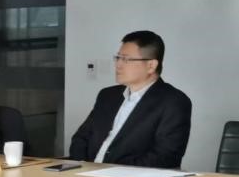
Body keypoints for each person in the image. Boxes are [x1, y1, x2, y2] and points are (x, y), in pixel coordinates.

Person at [69, 30, 191, 168]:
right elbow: (81, 138)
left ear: (151, 65)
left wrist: (112, 172)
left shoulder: (174, 102)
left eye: (126, 59)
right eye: (118, 58)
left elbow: (165, 156)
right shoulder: (107, 95)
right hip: (84, 173)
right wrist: (82, 167)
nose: (118, 65)